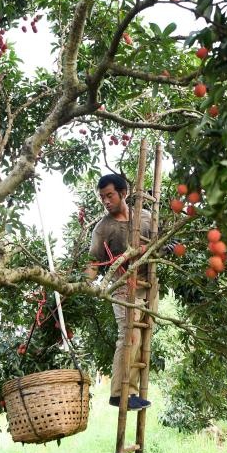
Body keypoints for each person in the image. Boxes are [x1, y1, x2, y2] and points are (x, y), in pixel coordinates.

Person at [86, 173, 152, 411]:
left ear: (123, 193)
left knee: (142, 339)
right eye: (102, 197)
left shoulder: (146, 218)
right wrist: (84, 283)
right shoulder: (102, 229)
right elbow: (94, 263)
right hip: (122, 287)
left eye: (109, 195)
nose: (105, 201)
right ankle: (119, 394)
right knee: (128, 335)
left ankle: (132, 391)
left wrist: (167, 247)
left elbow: (159, 245)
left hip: (147, 284)